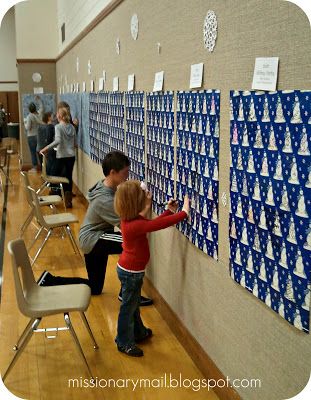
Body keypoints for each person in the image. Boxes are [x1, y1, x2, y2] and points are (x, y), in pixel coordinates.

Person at [114, 180, 189, 357]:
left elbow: (153, 222)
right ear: (136, 203)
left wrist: (169, 211)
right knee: (128, 307)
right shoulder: (135, 224)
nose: (146, 199)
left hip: (129, 271)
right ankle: (123, 341)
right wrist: (183, 212)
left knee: (132, 305)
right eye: (143, 198)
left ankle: (138, 332)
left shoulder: (130, 219)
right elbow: (157, 225)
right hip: (131, 273)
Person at [79, 151, 153, 306]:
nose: (127, 176)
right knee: (131, 243)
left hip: (95, 237)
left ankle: (50, 279)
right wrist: (146, 206)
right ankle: (127, 294)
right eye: (125, 173)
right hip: (93, 239)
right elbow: (133, 227)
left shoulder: (107, 186)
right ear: (113, 173)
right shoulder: (104, 199)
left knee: (94, 288)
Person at [40, 107, 76, 208]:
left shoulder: (58, 127)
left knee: (54, 175)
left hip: (62, 155)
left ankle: (54, 196)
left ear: (59, 116)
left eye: (57, 113)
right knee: (68, 177)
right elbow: (75, 143)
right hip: (71, 156)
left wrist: (46, 148)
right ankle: (68, 201)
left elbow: (58, 141)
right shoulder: (72, 127)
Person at [24, 96, 44, 171]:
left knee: (33, 152)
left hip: (31, 137)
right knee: (40, 152)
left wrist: (25, 123)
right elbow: (42, 107)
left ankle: (35, 167)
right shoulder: (39, 114)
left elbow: (28, 128)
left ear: (29, 109)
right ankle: (42, 167)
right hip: (39, 136)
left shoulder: (29, 117)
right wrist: (39, 100)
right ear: (35, 108)